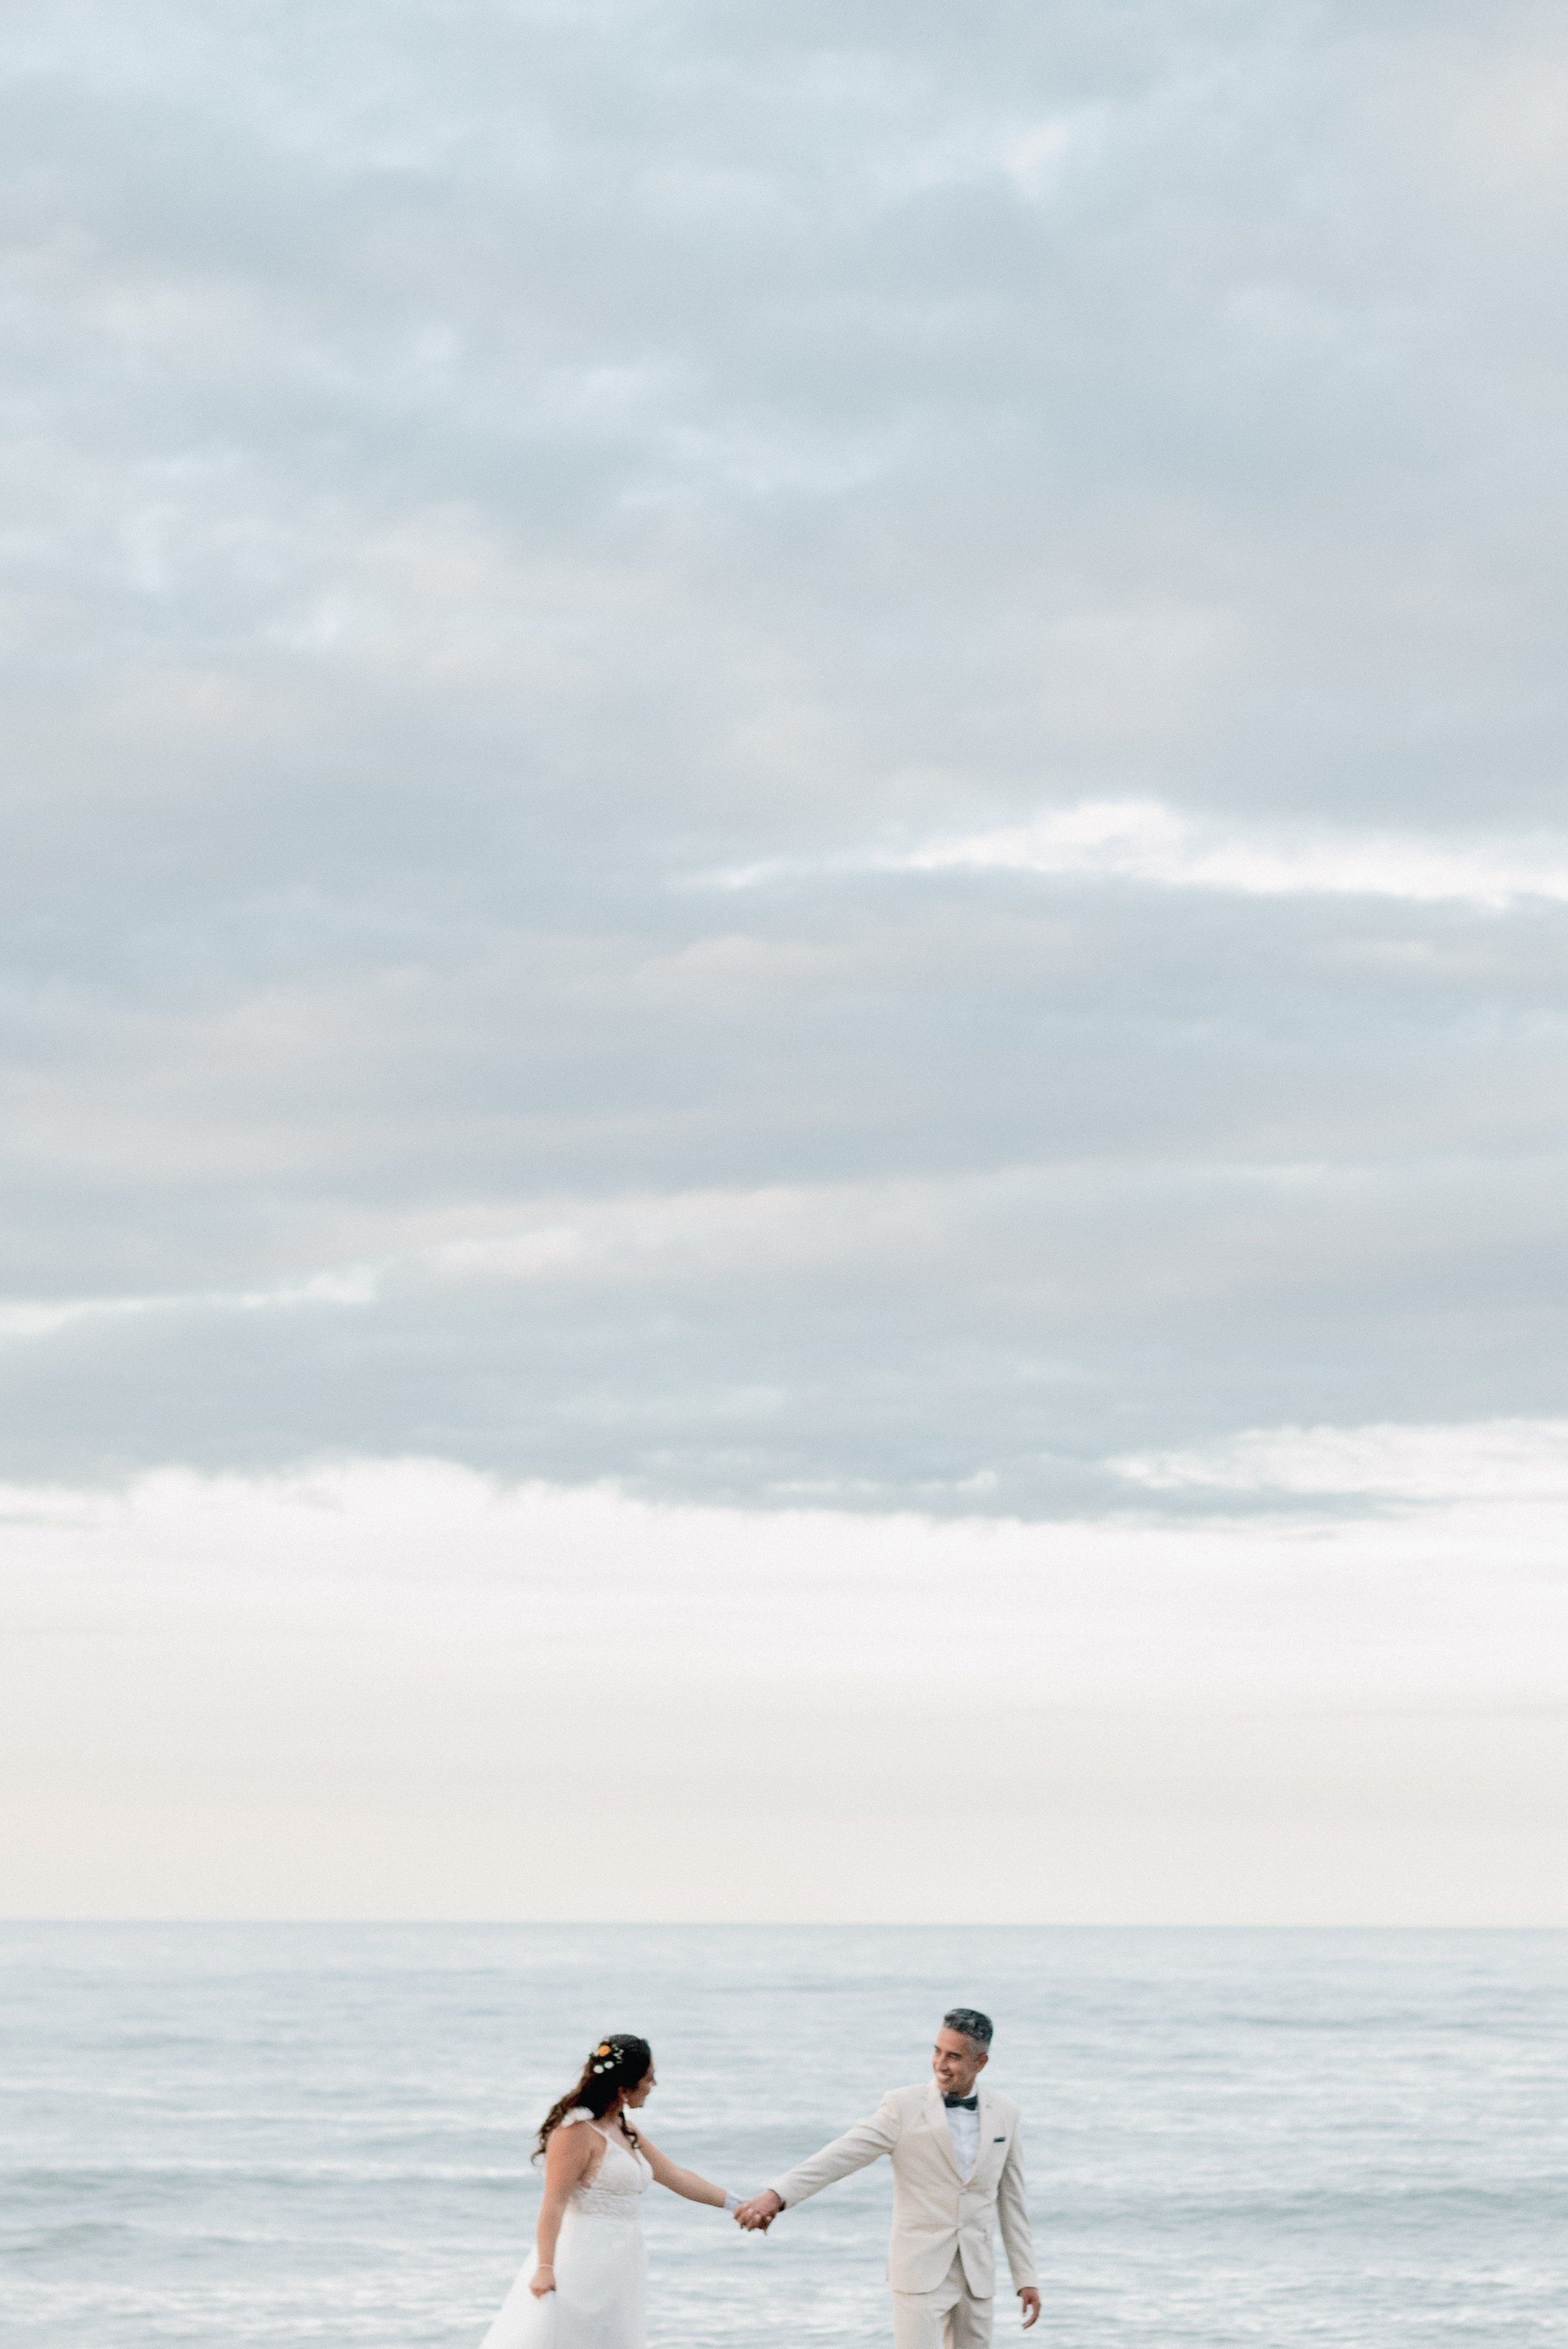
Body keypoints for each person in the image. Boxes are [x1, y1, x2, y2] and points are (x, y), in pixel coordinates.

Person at [734, 2007, 1041, 2349]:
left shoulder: (1006, 2113)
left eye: (953, 2056)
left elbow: (1012, 2203)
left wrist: (1025, 2278)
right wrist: (776, 2195)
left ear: (980, 2063)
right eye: (937, 2051)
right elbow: (838, 2157)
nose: (940, 2064)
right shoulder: (903, 2107)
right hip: (919, 2269)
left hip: (976, 2276)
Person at [479, 2033, 743, 2349]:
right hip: (581, 2261)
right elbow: (553, 2203)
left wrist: (739, 2205)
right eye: (649, 2078)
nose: (654, 2085)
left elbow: (675, 2177)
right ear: (623, 2089)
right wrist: (545, 2269)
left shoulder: (623, 2128)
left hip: (622, 2260)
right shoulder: (575, 2132)